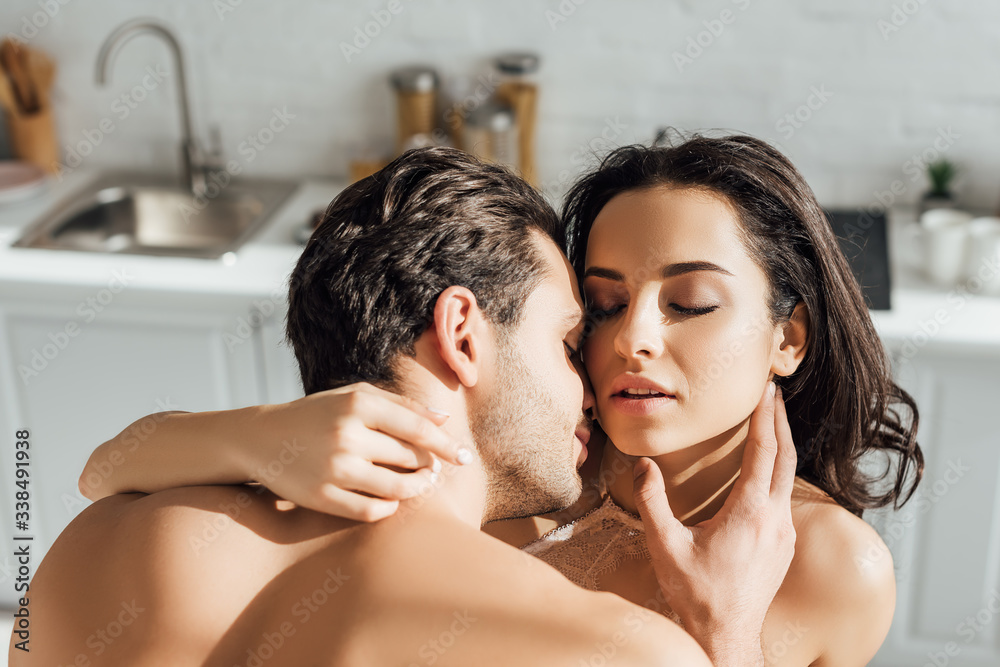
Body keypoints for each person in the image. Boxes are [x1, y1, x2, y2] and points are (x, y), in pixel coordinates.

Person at [80, 134, 924, 665]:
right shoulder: (534, 462)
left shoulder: (830, 568)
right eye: (600, 306)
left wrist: (728, 634)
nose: (631, 338)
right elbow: (107, 467)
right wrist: (260, 433)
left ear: (789, 337)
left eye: (691, 302)